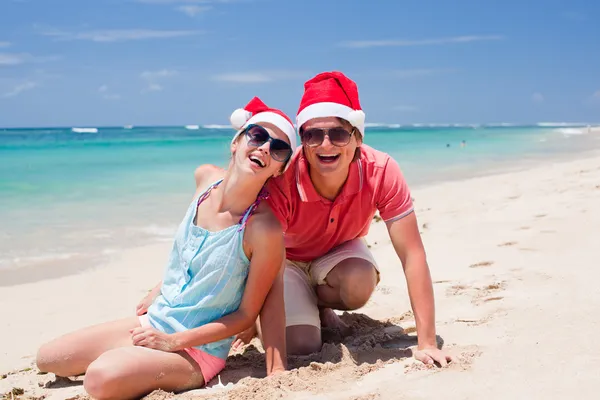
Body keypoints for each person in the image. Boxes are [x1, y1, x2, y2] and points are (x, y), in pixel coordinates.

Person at [36, 97, 295, 399]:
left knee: (99, 379)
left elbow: (246, 315)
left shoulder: (263, 229)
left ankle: (133, 364)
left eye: (278, 148)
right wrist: (161, 287)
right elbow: (197, 254)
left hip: (197, 351)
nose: (265, 147)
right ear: (236, 142)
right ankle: (132, 361)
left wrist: (175, 341)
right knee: (48, 358)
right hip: (154, 321)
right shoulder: (205, 180)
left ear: (279, 169)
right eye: (258, 136)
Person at [236, 71, 453, 367]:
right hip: (283, 261)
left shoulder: (381, 171)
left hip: (338, 253)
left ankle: (319, 302)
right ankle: (303, 306)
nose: (326, 145)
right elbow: (251, 249)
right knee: (301, 346)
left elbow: (412, 254)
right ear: (302, 139)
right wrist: (249, 314)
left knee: (358, 283)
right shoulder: (283, 178)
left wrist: (427, 342)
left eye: (338, 134)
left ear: (357, 138)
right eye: (313, 134)